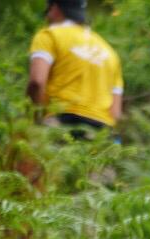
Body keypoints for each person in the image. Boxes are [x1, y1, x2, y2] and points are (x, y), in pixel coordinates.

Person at [28, 0, 123, 138]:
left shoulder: (49, 35)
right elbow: (116, 113)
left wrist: (36, 118)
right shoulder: (110, 53)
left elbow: (37, 82)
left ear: (55, 8)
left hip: (61, 122)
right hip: (101, 131)